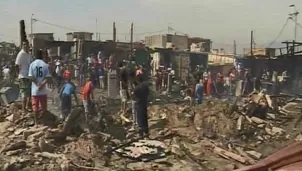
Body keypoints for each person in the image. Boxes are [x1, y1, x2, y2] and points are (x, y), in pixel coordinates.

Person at [28, 49, 51, 125]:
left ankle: (36, 122)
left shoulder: (32, 64)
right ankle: (44, 122)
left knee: (35, 107)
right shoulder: (45, 64)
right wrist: (41, 85)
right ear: (42, 55)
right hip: (43, 90)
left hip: (35, 91)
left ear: (35, 56)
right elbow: (47, 78)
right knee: (44, 107)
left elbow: (31, 77)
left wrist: (37, 84)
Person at [15, 40, 32, 112]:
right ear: (22, 45)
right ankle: (23, 108)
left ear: (29, 45)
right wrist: (18, 74)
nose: (25, 46)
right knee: (24, 93)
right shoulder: (21, 54)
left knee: (30, 92)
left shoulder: (29, 54)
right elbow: (16, 65)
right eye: (24, 44)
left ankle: (28, 106)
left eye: (26, 44)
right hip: (23, 76)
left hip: (29, 76)